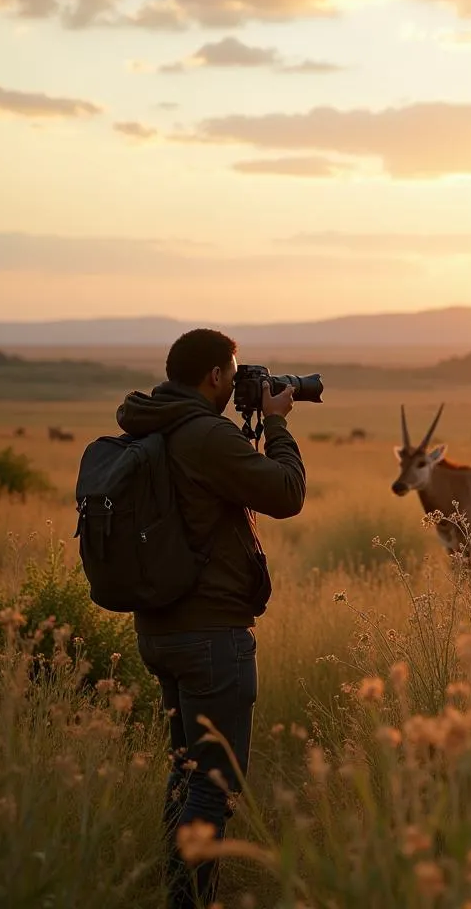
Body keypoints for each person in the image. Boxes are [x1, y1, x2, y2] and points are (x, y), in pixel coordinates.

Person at [116, 328, 306, 908]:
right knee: (214, 784)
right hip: (210, 637)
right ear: (216, 377)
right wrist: (276, 423)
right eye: (234, 373)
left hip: (160, 630)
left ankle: (179, 891)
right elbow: (287, 492)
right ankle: (191, 902)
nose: (235, 383)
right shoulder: (205, 434)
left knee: (186, 773)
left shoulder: (150, 422)